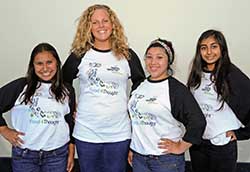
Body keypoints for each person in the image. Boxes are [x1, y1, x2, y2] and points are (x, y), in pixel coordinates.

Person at [62, 4, 145, 172]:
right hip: (86, 131)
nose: (101, 26)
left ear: (113, 24)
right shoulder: (79, 55)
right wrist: (72, 106)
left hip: (119, 133)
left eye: (105, 21)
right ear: (88, 27)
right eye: (95, 22)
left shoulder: (127, 55)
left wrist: (131, 108)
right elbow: (63, 82)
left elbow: (141, 84)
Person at [127, 38, 206, 172]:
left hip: (166, 161)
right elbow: (134, 119)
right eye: (149, 57)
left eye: (159, 57)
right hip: (139, 158)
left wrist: (181, 146)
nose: (153, 62)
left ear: (168, 61)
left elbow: (197, 121)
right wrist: (133, 147)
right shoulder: (139, 86)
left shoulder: (176, 89)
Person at [0, 43, 76, 172]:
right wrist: (4, 129)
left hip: (57, 155)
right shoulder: (21, 86)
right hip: (25, 156)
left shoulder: (67, 90)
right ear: (33, 66)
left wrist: (71, 150)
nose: (45, 68)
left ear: (57, 63)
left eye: (49, 62)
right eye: (39, 63)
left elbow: (70, 121)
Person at [187, 29, 250, 172]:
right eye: (204, 47)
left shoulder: (232, 74)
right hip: (199, 144)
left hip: (222, 146)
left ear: (222, 48)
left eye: (214, 46)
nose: (209, 52)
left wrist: (242, 133)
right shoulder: (196, 74)